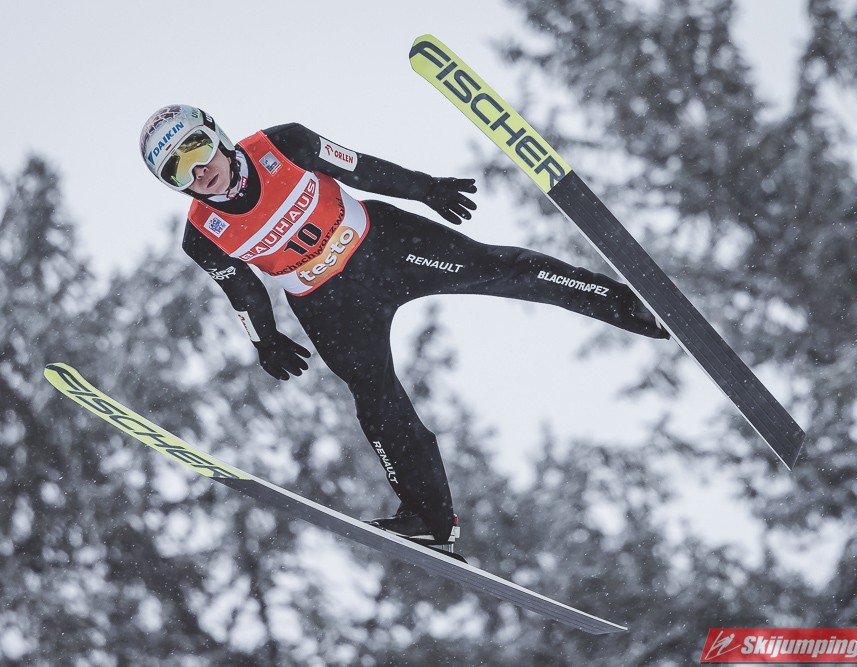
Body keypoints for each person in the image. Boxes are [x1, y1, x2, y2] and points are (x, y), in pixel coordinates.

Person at [139, 104, 667, 550]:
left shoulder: (283, 144)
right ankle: (430, 520)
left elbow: (360, 169)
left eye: (196, 149)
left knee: (500, 269)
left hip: (386, 247)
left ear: (218, 136)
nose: (198, 172)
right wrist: (265, 339)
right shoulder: (202, 236)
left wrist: (424, 188)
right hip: (329, 306)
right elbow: (242, 289)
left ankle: (630, 306)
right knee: (376, 400)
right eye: (177, 171)